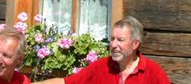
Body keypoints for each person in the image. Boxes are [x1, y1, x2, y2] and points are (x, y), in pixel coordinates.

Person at [33, 17, 170, 84]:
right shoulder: (101, 66)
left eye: (120, 40)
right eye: (112, 39)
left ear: (135, 44)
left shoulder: (153, 73)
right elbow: (66, 83)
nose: (114, 45)